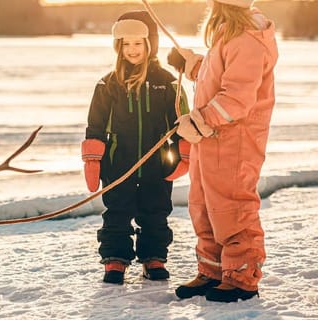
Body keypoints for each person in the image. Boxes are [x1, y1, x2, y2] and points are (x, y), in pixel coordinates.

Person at [167, 0, 277, 302]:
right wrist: (191, 65)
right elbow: (217, 75)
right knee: (203, 204)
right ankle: (213, 269)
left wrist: (200, 119)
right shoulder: (230, 33)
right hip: (211, 138)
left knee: (232, 205)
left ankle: (242, 275)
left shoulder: (248, 38)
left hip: (236, 140)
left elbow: (237, 97)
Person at [82, 10, 190, 285]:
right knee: (117, 212)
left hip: (157, 162)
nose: (132, 50)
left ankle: (153, 257)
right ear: (118, 46)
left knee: (155, 211)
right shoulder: (108, 84)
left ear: (149, 44)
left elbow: (182, 122)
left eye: (138, 43)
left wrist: (183, 152)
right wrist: (94, 159)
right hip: (119, 162)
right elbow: (95, 125)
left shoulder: (167, 82)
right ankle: (115, 259)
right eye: (126, 44)